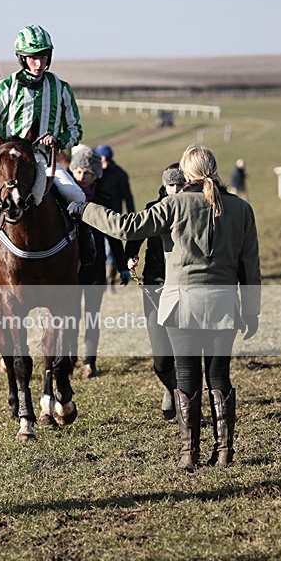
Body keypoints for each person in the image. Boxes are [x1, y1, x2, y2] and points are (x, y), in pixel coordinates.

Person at [68, 144, 261, 471]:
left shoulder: (173, 205)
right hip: (224, 305)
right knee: (218, 377)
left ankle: (190, 454)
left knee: (186, 378)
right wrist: (251, 310)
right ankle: (225, 451)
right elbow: (250, 265)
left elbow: (126, 227)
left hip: (180, 306)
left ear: (187, 174)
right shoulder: (241, 209)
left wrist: (84, 210)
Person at [0, 24, 86, 266]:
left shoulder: (61, 88)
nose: (39, 63)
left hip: (44, 160)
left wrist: (58, 141)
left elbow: (76, 130)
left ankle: (85, 249)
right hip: (8, 161)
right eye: (33, 57)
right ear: (22, 59)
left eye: (43, 56)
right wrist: (3, 150)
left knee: (76, 195)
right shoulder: (6, 87)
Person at [125, 163, 186, 420]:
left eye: (180, 184)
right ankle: (170, 387)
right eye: (172, 184)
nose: (176, 189)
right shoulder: (153, 209)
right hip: (155, 284)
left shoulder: (194, 209)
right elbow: (135, 234)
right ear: (164, 185)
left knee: (184, 352)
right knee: (161, 356)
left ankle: (185, 400)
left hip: (185, 287)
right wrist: (130, 255)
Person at [70, 146, 130, 379]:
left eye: (87, 173)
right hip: (71, 268)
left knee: (92, 316)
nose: (82, 177)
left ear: (96, 174)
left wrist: (123, 266)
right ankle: (71, 355)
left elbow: (114, 234)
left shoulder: (105, 199)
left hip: (96, 267)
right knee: (71, 315)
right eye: (77, 172)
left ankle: (90, 361)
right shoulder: (63, 198)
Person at [93, 145, 135, 287]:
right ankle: (102, 277)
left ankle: (110, 279)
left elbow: (127, 196)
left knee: (112, 250)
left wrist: (132, 217)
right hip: (95, 218)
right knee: (100, 250)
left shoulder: (119, 174)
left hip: (114, 219)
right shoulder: (94, 173)